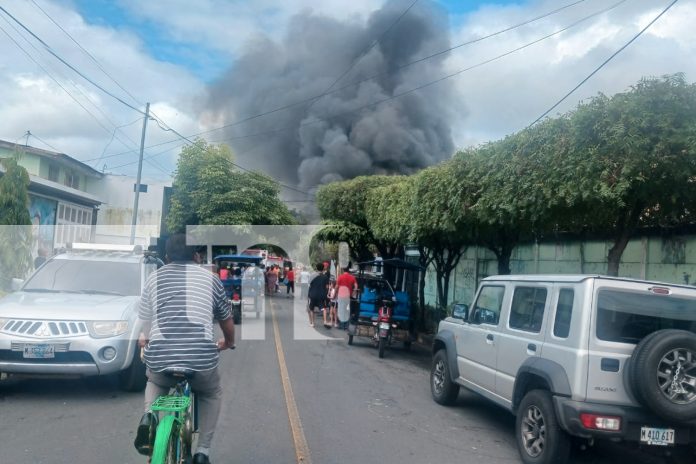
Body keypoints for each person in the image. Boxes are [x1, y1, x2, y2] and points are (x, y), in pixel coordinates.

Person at [134, 234, 235, 464]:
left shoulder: (154, 279)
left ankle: (149, 417)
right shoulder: (211, 280)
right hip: (200, 360)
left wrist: (146, 337)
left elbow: (146, 320)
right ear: (196, 256)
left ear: (167, 257)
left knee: (155, 381)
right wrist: (228, 343)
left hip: (161, 357)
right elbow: (226, 320)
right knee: (211, 393)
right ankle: (203, 452)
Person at [307, 263, 329, 328]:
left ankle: (312, 323)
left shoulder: (312, 275)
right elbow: (327, 287)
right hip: (321, 295)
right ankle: (325, 321)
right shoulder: (325, 277)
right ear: (323, 268)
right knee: (323, 308)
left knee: (311, 309)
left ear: (316, 268)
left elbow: (309, 285)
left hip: (313, 294)